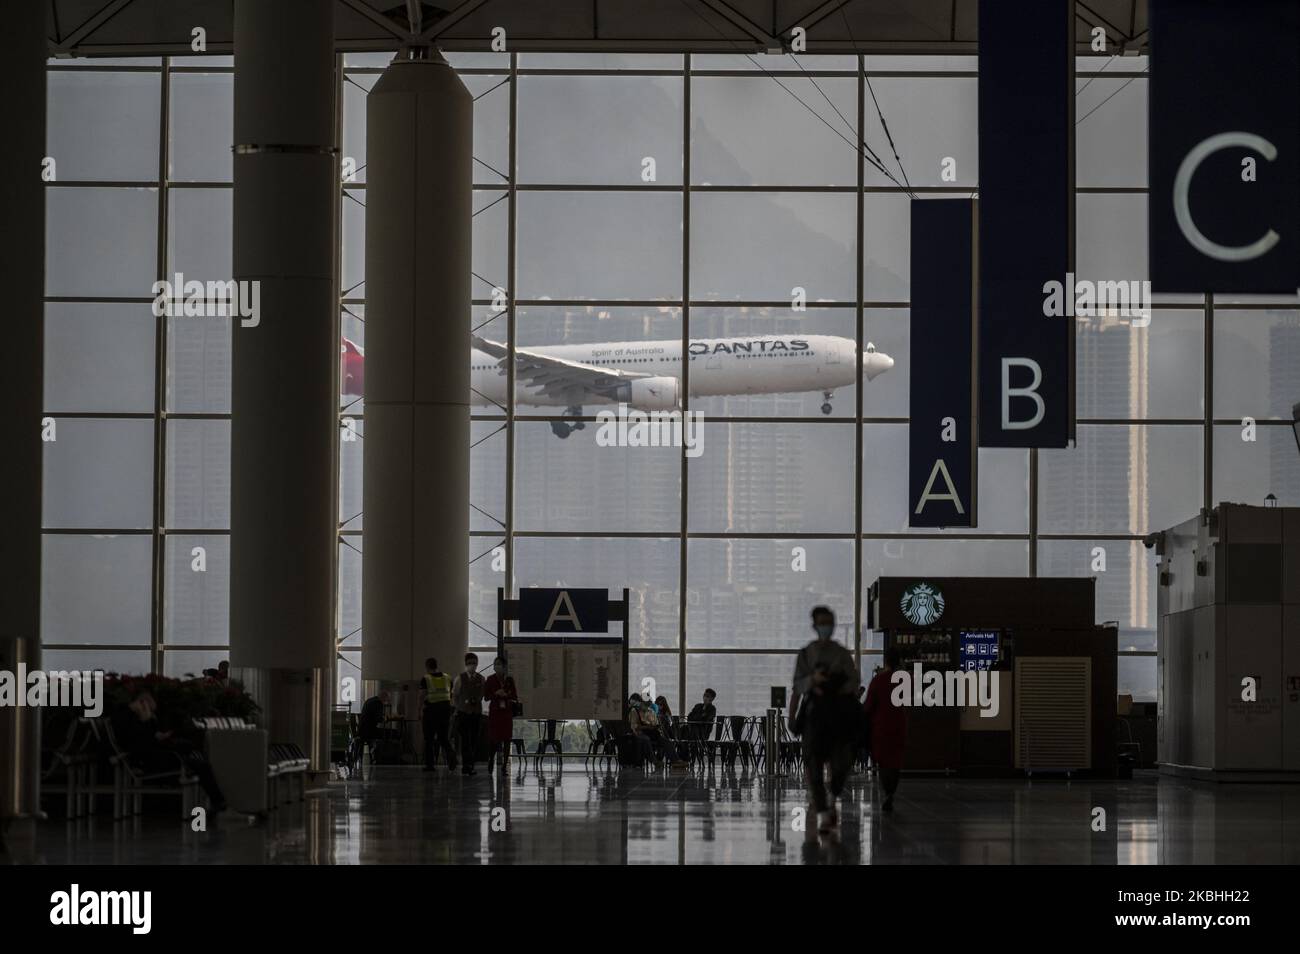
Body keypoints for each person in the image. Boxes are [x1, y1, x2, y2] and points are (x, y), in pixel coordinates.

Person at [791, 605, 860, 835]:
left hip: (838, 716)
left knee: (841, 762)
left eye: (829, 622)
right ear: (814, 625)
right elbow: (798, 686)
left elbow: (853, 681)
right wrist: (814, 680)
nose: (826, 627)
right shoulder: (806, 654)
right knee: (814, 765)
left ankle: (832, 800)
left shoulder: (841, 653)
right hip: (815, 717)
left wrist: (837, 687)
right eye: (822, 622)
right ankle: (823, 812)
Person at [111, 689, 226, 813]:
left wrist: (154, 730)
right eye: (150, 708)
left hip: (153, 754)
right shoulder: (125, 717)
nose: (150, 712)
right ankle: (218, 800)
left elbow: (146, 737)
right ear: (142, 702)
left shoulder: (132, 716)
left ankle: (218, 800)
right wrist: (148, 721)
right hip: (147, 758)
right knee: (199, 763)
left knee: (195, 756)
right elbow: (139, 742)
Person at [863, 646, 909, 812]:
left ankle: (887, 791)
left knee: (883, 761)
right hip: (899, 725)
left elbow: (868, 706)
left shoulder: (878, 681)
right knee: (895, 760)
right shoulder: (904, 680)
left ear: (885, 661)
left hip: (881, 727)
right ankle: (891, 792)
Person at [483, 656, 518, 775]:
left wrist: (506, 695)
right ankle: (491, 759)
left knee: (507, 739)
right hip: (495, 713)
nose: (497, 666)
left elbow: (515, 697)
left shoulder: (509, 680)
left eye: (499, 664)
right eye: (495, 664)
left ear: (504, 667)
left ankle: (504, 766)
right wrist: (496, 693)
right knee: (494, 739)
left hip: (506, 713)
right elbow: (486, 697)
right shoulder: (490, 679)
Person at [452, 653, 485, 776]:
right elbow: (455, 695)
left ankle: (471, 764)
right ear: (466, 664)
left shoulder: (481, 679)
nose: (472, 665)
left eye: (474, 663)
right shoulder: (459, 678)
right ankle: (466, 765)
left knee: (475, 739)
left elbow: (482, 694)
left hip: (476, 713)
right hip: (463, 713)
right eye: (470, 663)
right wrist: (458, 708)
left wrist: (476, 700)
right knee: (465, 740)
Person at [421, 657, 456, 772]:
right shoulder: (447, 678)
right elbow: (451, 694)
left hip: (431, 711)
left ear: (427, 667)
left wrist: (419, 710)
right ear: (436, 665)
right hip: (445, 710)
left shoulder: (426, 678)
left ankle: (430, 765)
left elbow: (422, 695)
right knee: (443, 738)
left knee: (429, 739)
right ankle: (451, 754)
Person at [625, 694, 655, 765]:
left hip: (647, 732)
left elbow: (652, 722)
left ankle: (676, 760)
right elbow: (633, 726)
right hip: (637, 732)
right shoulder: (634, 710)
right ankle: (653, 760)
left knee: (663, 740)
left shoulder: (649, 711)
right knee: (645, 739)